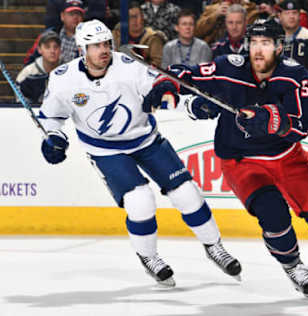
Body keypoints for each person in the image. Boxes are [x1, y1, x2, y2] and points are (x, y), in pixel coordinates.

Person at [143, 19, 308, 299]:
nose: (258, 50)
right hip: (242, 161)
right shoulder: (229, 66)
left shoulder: (296, 76)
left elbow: (303, 125)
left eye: (265, 44)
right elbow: (184, 75)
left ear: (279, 46)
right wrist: (167, 86)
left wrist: (270, 119)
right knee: (273, 214)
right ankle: (293, 266)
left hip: (288, 156)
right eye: (254, 43)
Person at [38, 19, 242, 287]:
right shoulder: (64, 80)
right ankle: (149, 257)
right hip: (105, 150)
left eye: (106, 43)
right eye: (96, 45)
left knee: (187, 194)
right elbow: (52, 118)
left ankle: (214, 247)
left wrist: (190, 105)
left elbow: (160, 92)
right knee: (140, 201)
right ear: (81, 49)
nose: (103, 50)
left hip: (145, 139)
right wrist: (54, 138)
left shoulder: (128, 65)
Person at [25, 0, 84, 65]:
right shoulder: (48, 35)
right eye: (71, 14)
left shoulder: (89, 37)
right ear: (62, 16)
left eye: (78, 14)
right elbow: (30, 60)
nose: (75, 17)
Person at [112, 1, 168, 69]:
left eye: (136, 16)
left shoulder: (154, 38)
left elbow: (157, 65)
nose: (134, 20)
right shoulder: (116, 35)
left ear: (143, 17)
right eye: (130, 17)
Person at [277, 0, 308, 76]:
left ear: (300, 15)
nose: (291, 16)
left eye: (294, 13)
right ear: (279, 16)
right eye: (287, 13)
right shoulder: (274, 37)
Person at [16, 31, 61, 104]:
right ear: (39, 50)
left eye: (55, 47)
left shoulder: (68, 71)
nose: (52, 51)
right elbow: (21, 106)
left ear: (60, 49)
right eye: (47, 47)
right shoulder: (27, 73)